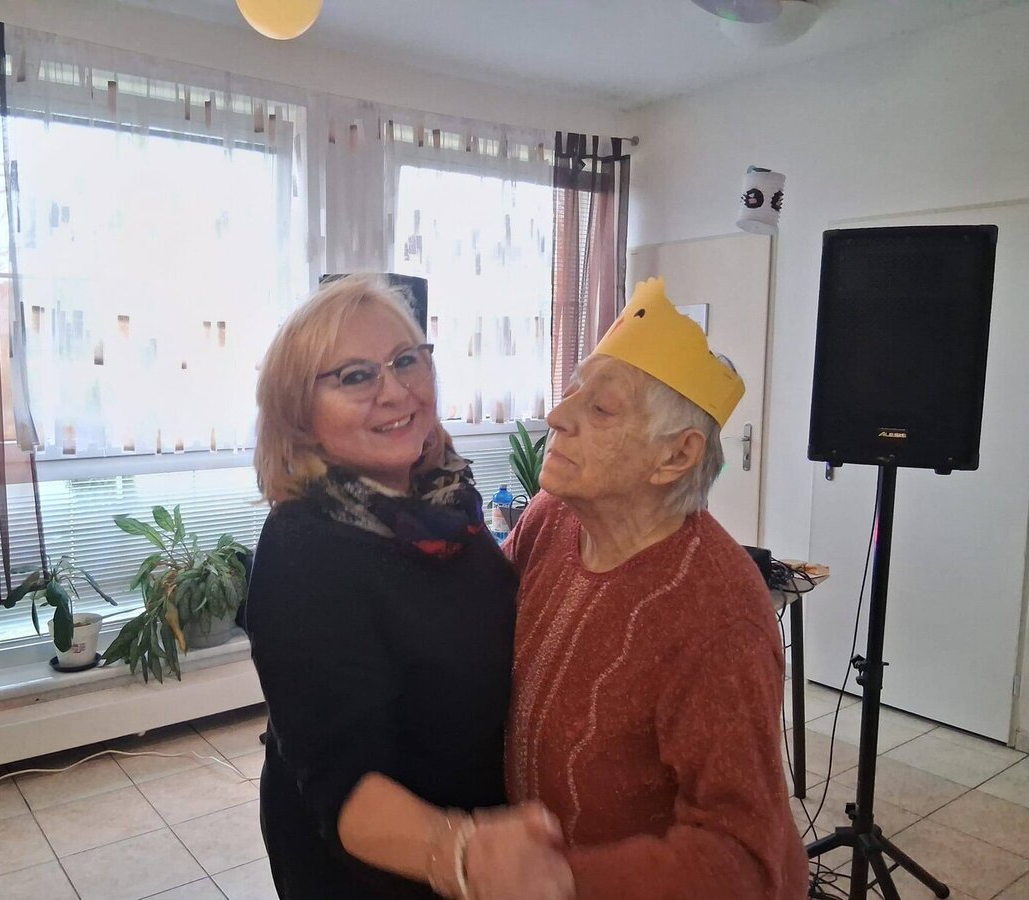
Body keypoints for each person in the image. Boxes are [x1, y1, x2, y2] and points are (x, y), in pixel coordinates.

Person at [470, 277, 807, 899]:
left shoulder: (718, 617)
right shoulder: (552, 517)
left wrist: (559, 878)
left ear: (675, 457)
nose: (557, 416)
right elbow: (474, 619)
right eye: (573, 392)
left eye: (600, 409)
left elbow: (742, 857)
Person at [246, 275, 574, 900]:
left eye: (405, 360)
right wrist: (465, 853)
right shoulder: (306, 549)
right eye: (355, 376)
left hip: (475, 811)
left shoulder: (445, 502)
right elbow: (346, 786)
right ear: (300, 415)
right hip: (380, 867)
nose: (396, 391)